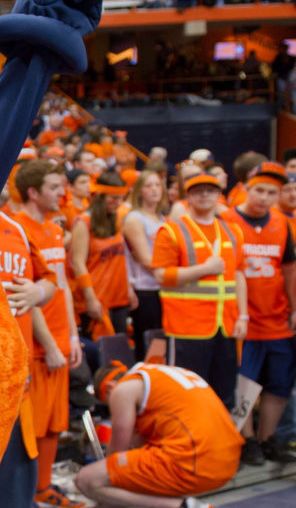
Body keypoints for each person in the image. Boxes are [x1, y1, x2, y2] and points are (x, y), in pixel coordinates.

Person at [0, 186, 55, 507]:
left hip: (16, 374)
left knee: (14, 475)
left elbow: (49, 280)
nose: (4, 183)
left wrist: (38, 293)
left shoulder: (17, 229)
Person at [13, 160, 84, 508]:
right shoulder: (17, 230)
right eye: (55, 187)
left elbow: (63, 286)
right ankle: (27, 494)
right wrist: (50, 343)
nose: (62, 194)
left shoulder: (55, 230)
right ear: (33, 191)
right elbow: (28, 296)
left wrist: (72, 334)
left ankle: (44, 488)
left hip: (60, 338)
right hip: (39, 345)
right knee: (35, 426)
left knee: (56, 423)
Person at [75, 362, 240, 508]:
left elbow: (117, 450)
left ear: (110, 387)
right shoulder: (160, 374)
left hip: (193, 463)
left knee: (87, 480)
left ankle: (182, 506)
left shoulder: (122, 389)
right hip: (228, 460)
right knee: (133, 475)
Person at [219, 161, 296, 464]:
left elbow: (289, 271)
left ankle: (268, 439)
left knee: (279, 384)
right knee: (243, 384)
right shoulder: (226, 220)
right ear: (246, 190)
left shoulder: (281, 223)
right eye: (259, 191)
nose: (264, 198)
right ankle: (247, 439)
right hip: (241, 321)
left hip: (276, 318)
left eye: (271, 193)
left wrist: (294, 308)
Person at [151, 172, 247, 409]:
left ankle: (221, 434)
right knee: (187, 394)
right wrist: (204, 269)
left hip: (226, 325)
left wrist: (243, 315)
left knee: (225, 395)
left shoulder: (233, 231)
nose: (204, 195)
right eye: (198, 191)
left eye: (210, 191)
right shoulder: (172, 230)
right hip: (187, 327)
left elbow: (239, 274)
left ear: (219, 195)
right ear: (188, 197)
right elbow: (162, 276)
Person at [70, 173, 133, 339]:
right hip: (97, 299)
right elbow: (78, 264)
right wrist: (90, 299)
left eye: (121, 198)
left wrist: (129, 288)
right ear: (99, 196)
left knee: (122, 349)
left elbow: (121, 259)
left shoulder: (116, 219)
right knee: (102, 352)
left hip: (119, 298)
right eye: (113, 198)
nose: (118, 203)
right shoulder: (83, 222)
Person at [121, 170, 167, 360]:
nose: (154, 190)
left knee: (160, 341)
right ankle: (147, 374)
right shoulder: (134, 218)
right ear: (139, 191)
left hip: (161, 286)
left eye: (157, 185)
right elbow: (145, 259)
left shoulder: (162, 218)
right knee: (148, 341)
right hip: (144, 288)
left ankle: (158, 372)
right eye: (149, 186)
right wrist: (176, 273)